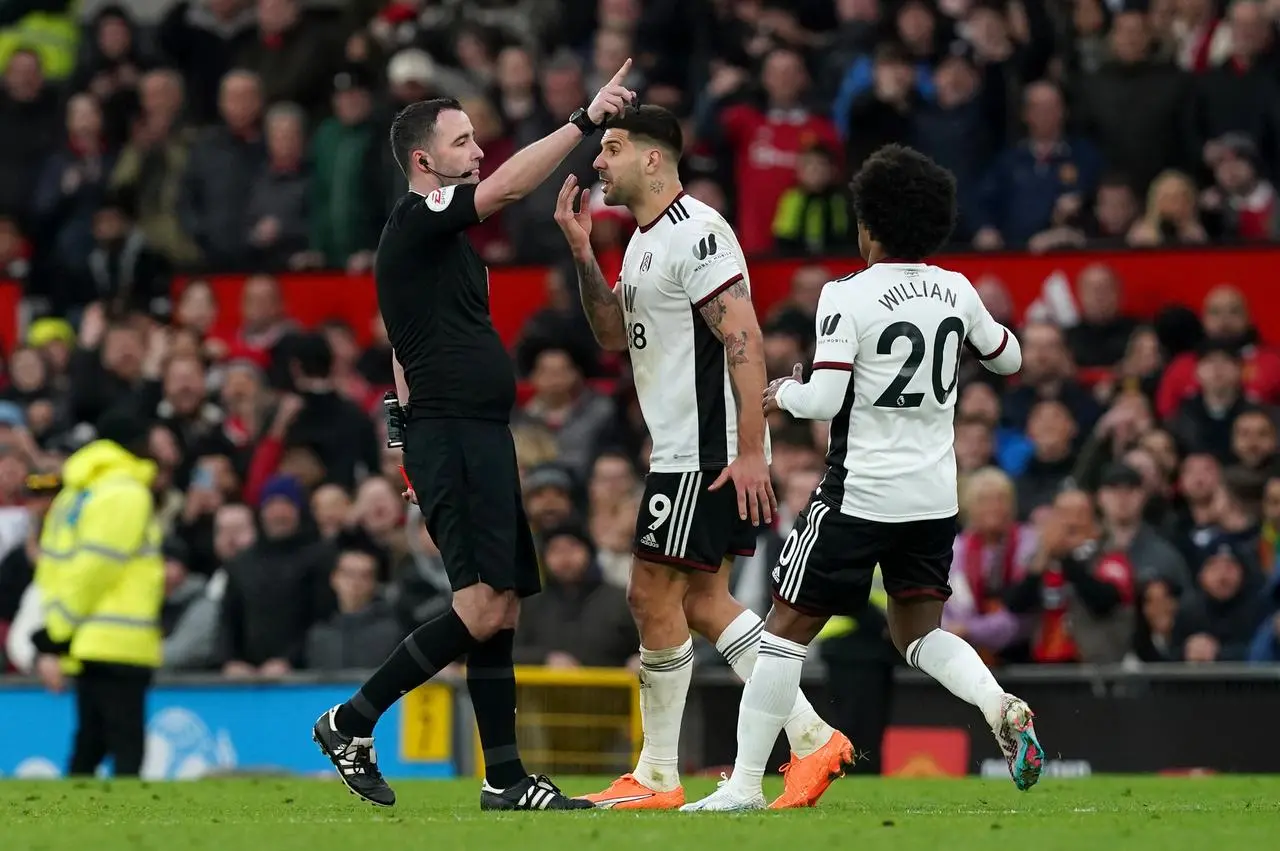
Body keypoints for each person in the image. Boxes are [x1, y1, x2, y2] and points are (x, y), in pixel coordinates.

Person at [311, 61, 637, 811]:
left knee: (503, 607)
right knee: (483, 607)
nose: (479, 150)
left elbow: (402, 343)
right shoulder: (419, 215)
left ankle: (505, 777)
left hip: (472, 434)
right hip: (454, 435)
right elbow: (511, 188)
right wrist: (584, 121)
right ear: (426, 163)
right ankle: (349, 719)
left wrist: (402, 425)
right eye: (463, 142)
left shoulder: (443, 246)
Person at [682, 145, 1038, 812]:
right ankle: (998, 703)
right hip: (933, 496)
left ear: (868, 225)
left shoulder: (847, 294)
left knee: (783, 630)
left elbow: (823, 402)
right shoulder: (957, 288)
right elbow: (1010, 356)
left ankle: (743, 785)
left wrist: (784, 392)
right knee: (918, 633)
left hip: (860, 493)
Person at [554, 105, 849, 811]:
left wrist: (751, 451)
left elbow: (745, 336)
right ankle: (810, 735)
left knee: (651, 594)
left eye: (613, 148)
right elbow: (610, 336)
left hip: (705, 448)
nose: (599, 162)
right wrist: (582, 250)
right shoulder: (643, 242)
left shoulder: (700, 231)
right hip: (688, 446)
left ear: (654, 158)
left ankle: (658, 773)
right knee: (700, 599)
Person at [30, 408, 165, 777]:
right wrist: (60, 631)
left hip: (88, 637)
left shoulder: (76, 496)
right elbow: (96, 569)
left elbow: (57, 568)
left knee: (90, 742)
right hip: (120, 639)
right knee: (123, 748)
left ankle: (67, 824)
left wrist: (58, 628)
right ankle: (123, 830)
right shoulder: (125, 493)